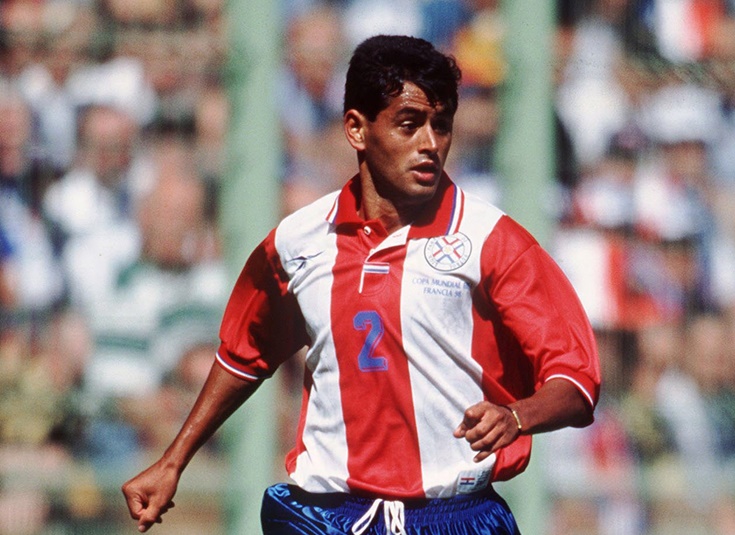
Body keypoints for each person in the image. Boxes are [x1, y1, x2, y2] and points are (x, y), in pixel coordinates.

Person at [122, 35, 601, 534]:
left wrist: (517, 416)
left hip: (456, 515)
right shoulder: (297, 242)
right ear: (356, 129)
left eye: (441, 125)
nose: (430, 144)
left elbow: (577, 380)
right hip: (328, 516)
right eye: (410, 124)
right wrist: (173, 461)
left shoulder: (493, 241)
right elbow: (243, 355)